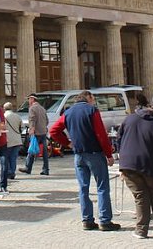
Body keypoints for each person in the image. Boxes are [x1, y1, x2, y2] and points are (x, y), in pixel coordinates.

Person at [50, 90, 120, 232]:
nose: (94, 101)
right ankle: (105, 220)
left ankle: (87, 220)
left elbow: (53, 131)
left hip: (78, 155)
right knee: (102, 187)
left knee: (83, 188)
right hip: (94, 153)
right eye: (93, 98)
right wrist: (109, 154)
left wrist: (67, 143)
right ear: (88, 98)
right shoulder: (91, 110)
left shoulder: (68, 112)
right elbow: (100, 133)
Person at [117, 98, 153, 239]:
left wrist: (121, 162)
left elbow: (119, 140)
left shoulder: (129, 119)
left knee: (141, 196)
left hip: (128, 163)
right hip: (150, 165)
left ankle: (141, 230)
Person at [20, 93, 49, 175]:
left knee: (31, 149)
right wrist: (43, 127)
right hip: (43, 132)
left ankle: (28, 168)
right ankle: (46, 169)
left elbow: (32, 119)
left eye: (29, 99)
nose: (28, 101)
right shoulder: (42, 108)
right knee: (44, 152)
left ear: (32, 99)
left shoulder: (32, 108)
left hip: (36, 132)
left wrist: (32, 129)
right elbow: (47, 121)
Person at [3, 101, 23, 182]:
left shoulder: (4, 116)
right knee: (13, 157)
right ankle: (12, 172)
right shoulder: (17, 116)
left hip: (8, 139)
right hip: (17, 139)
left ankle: (8, 172)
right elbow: (21, 127)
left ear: (4, 108)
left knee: (6, 157)